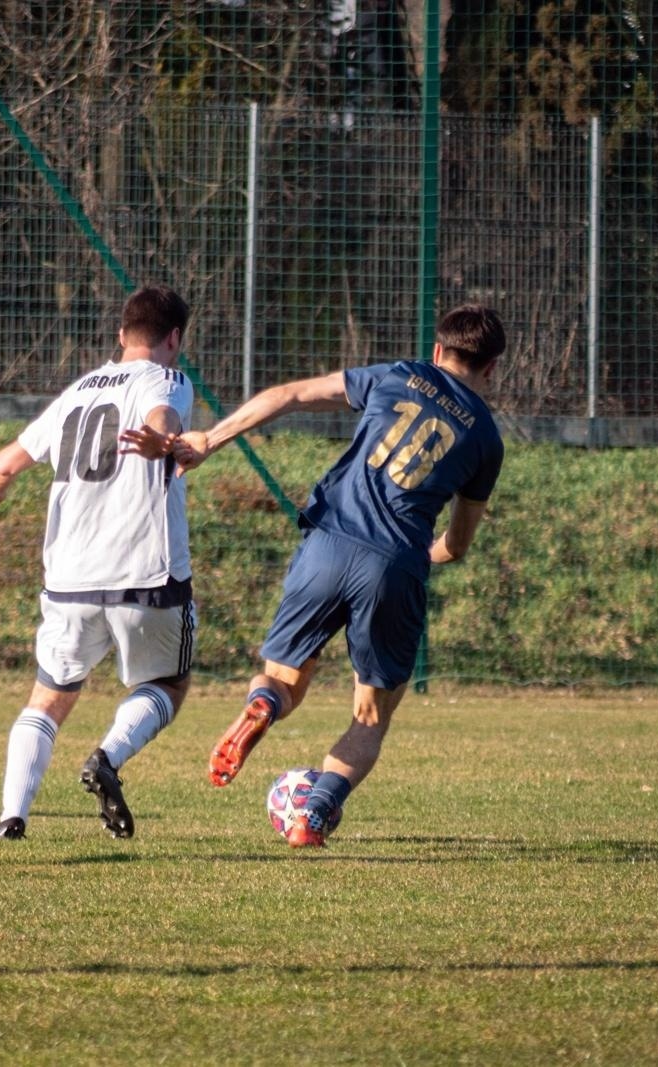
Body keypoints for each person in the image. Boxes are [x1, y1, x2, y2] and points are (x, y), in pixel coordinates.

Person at [153, 304, 505, 848]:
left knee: (282, 680)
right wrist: (420, 555)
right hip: (395, 564)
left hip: (327, 543)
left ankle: (264, 705)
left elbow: (290, 395)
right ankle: (312, 816)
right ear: (493, 368)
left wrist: (211, 439)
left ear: (438, 351)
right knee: (371, 715)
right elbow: (457, 545)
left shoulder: (398, 376)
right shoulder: (486, 439)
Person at [0, 285, 198, 841]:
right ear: (174, 338)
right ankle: (107, 758)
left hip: (69, 578)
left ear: (121, 335)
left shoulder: (77, 391)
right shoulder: (166, 377)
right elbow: (164, 415)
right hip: (144, 575)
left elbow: (6, 463)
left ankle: (11, 817)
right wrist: (162, 438)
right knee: (168, 684)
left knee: (48, 697)